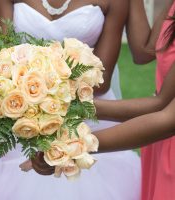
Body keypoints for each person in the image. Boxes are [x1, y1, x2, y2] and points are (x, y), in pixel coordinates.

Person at [0, 0, 141, 200]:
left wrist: (49, 94)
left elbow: (101, 82)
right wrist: (29, 95)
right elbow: (0, 56)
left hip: (89, 112)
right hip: (26, 111)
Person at [32, 1, 175, 199]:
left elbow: (166, 111)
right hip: (158, 138)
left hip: (161, 130)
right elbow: (148, 51)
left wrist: (72, 142)